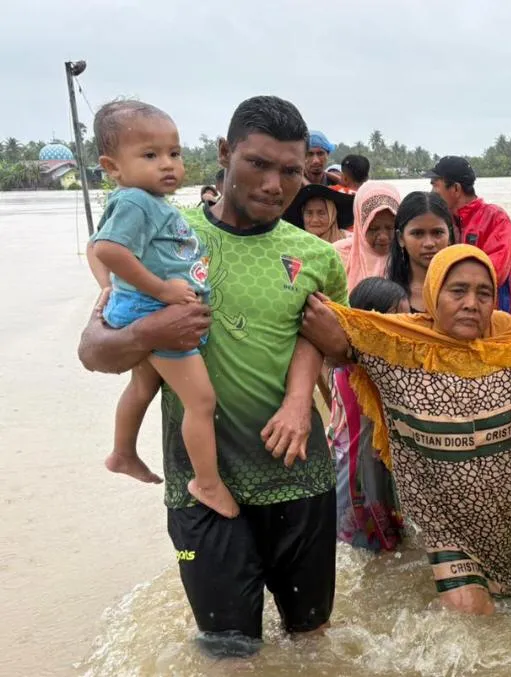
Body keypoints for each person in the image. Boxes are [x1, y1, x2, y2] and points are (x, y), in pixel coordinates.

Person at [78, 95, 349, 655]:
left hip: (299, 475)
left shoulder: (316, 255)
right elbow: (94, 352)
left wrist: (303, 396)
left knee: (313, 643)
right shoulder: (162, 241)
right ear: (225, 154)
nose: (276, 184)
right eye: (258, 164)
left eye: (292, 170)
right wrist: (150, 333)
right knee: (229, 652)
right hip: (201, 490)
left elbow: (339, 348)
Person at [300, 245, 511, 614]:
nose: (472, 302)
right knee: (476, 625)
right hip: (450, 533)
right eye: (458, 291)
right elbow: (323, 324)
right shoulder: (393, 343)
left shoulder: (506, 340)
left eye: (484, 293)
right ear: (434, 292)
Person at [87, 100, 236, 519]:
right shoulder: (135, 201)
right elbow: (107, 249)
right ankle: (206, 482)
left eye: (174, 153)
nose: (167, 164)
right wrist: (163, 290)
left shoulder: (149, 202)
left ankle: (122, 452)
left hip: (146, 308)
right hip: (154, 314)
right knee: (202, 401)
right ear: (112, 166)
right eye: (150, 155)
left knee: (142, 387)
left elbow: (102, 248)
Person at [329, 277, 408, 550]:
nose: (403, 331)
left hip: (360, 467)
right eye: (394, 321)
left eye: (407, 321)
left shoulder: (355, 362)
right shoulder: (355, 370)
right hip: (358, 470)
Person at [427, 156, 511, 311]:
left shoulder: (496, 218)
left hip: (486, 311)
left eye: (436, 186)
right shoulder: (441, 220)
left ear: (455, 189)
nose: (431, 192)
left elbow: (496, 272)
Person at [386, 191, 457, 312]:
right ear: (400, 238)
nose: (429, 243)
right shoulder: (387, 297)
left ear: (449, 236)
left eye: (437, 232)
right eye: (418, 233)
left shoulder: (465, 292)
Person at [335, 182, 400, 291]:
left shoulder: (409, 258)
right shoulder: (338, 255)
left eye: (390, 228)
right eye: (373, 229)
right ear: (360, 227)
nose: (383, 237)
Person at [282, 182, 354, 244]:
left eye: (321, 213)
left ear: (332, 215)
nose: (315, 220)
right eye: (309, 213)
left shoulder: (350, 243)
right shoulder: (294, 244)